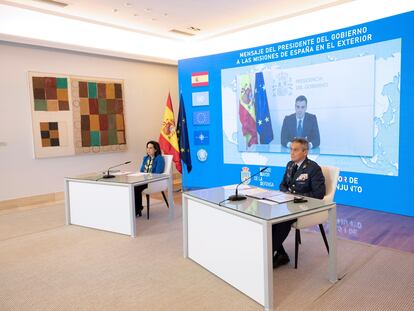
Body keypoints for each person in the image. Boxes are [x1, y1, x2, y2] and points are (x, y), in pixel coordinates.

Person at [272, 138, 325, 268]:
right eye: (291, 149)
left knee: (283, 220)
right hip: (289, 203)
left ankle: (267, 254)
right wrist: (287, 194)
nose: (292, 153)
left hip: (304, 206)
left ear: (305, 152)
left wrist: (296, 196)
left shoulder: (313, 168)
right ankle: (281, 254)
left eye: (295, 150)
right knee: (270, 219)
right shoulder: (290, 165)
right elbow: (282, 185)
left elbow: (319, 194)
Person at [134, 140, 165, 217]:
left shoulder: (159, 159)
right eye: (147, 148)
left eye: (150, 148)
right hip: (144, 180)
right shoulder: (145, 158)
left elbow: (157, 173)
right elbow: (141, 171)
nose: (148, 150)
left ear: (156, 149)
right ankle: (137, 208)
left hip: (153, 182)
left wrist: (146, 177)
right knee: (133, 187)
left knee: (136, 188)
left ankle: (137, 208)